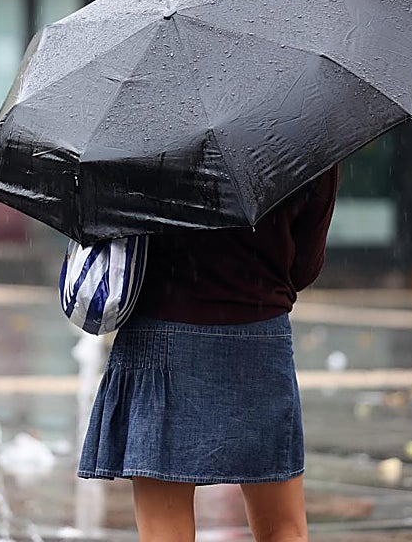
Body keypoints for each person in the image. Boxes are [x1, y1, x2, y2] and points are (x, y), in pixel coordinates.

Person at [78, 165, 340, 542]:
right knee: (283, 529)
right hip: (258, 338)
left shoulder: (143, 134)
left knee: (165, 533)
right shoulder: (303, 138)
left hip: (161, 329)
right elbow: (303, 268)